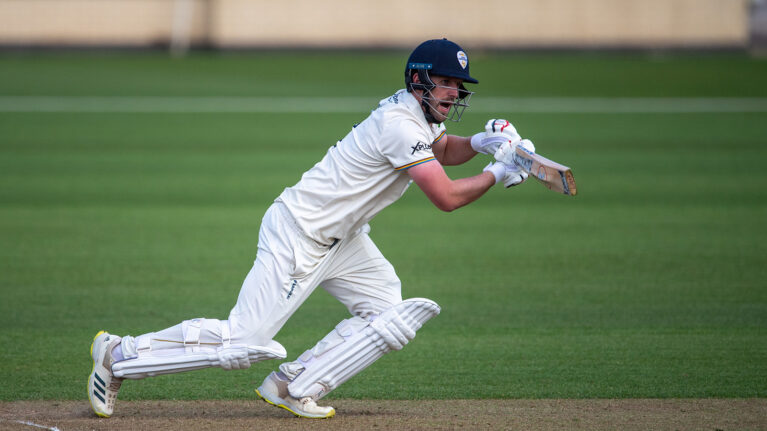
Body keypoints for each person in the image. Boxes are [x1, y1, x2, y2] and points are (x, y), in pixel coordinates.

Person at [87, 38, 535, 419]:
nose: (455, 92)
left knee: (387, 314)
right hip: (300, 233)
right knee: (245, 339)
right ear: (419, 80)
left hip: (344, 238)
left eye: (459, 84)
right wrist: (499, 171)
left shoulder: (413, 115)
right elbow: (447, 198)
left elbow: (443, 150)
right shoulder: (400, 125)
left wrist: (484, 142)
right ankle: (118, 353)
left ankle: (293, 384)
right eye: (447, 82)